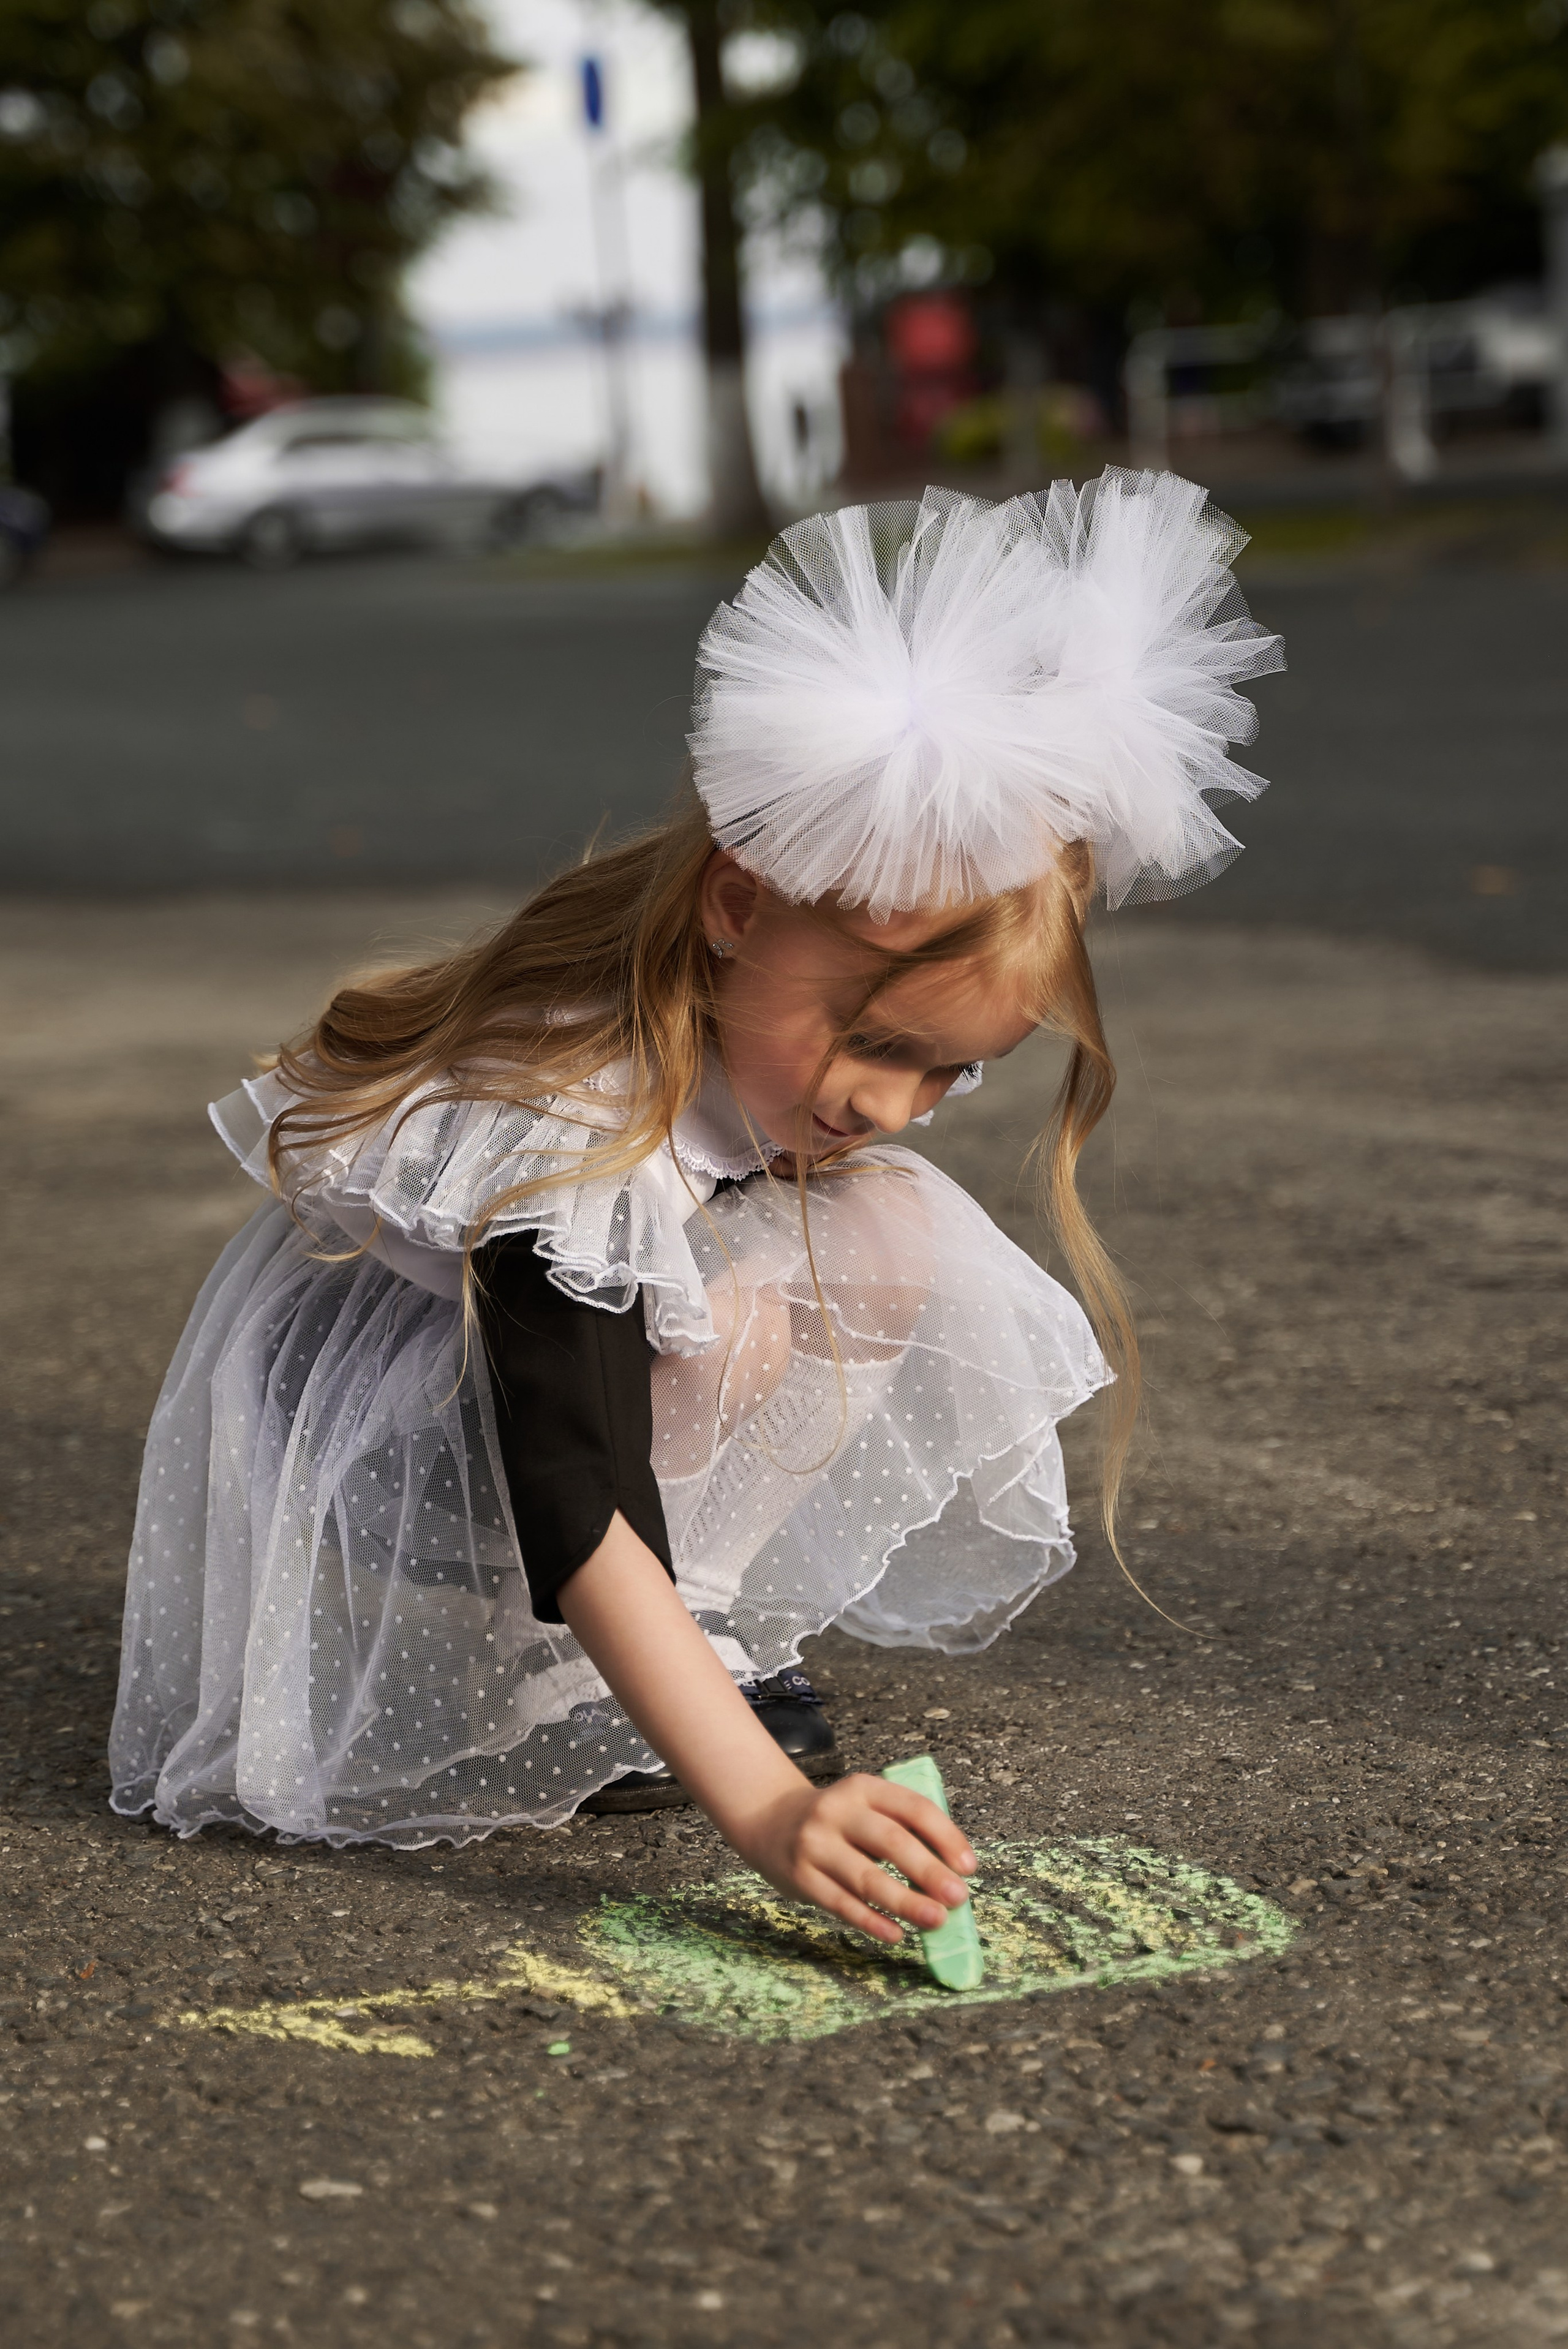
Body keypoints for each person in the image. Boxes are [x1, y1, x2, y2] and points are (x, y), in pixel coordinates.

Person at [110, 471, 1281, 1950]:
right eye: (870, 1041)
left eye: (953, 1067)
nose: (887, 1103)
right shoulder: (566, 1133)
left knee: (888, 1227)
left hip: (518, 1405)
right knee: (726, 1312)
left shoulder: (761, 1025)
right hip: (372, 1428)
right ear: (737, 904)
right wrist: (762, 1800)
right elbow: (572, 1464)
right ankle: (565, 1661)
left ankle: (678, 1629)